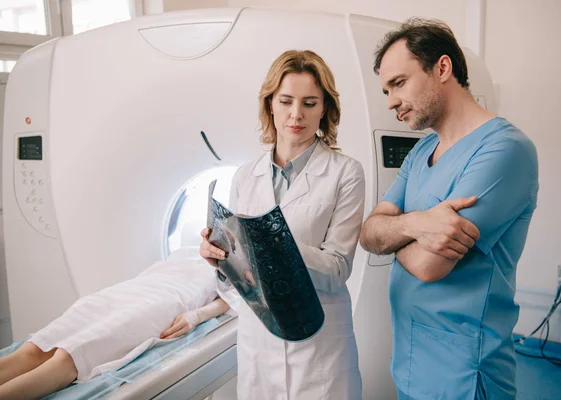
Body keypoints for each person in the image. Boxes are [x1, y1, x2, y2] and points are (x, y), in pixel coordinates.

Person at [359, 18, 539, 399]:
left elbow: (430, 265)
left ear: (442, 68)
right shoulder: (422, 150)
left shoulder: (505, 150)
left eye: (399, 83)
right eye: (386, 89)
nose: (390, 101)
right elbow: (369, 233)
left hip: (465, 372)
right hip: (411, 362)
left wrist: (396, 230)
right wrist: (419, 225)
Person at [200, 49, 365, 399]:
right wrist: (220, 260)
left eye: (309, 103)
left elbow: (337, 268)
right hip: (258, 341)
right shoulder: (246, 176)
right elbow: (240, 281)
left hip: (319, 342)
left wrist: (274, 243)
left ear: (325, 109)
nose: (296, 114)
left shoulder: (345, 173)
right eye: (286, 100)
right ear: (270, 104)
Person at [0, 252, 230, 400]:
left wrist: (196, 316)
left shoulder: (235, 265)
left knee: (69, 359)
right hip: (127, 292)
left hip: (161, 304)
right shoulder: (186, 249)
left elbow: (234, 299)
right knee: (36, 347)